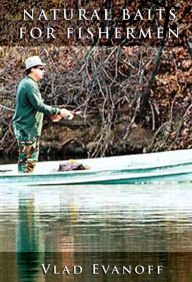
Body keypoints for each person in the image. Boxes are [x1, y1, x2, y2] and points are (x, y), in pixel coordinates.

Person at [13, 55, 74, 173]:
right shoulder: (29, 85)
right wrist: (59, 111)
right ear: (32, 69)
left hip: (27, 127)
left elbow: (36, 106)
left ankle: (24, 184)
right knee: (28, 161)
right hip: (26, 128)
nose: (43, 71)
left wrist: (50, 115)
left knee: (27, 160)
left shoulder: (28, 83)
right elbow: (39, 106)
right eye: (40, 69)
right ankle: (25, 187)